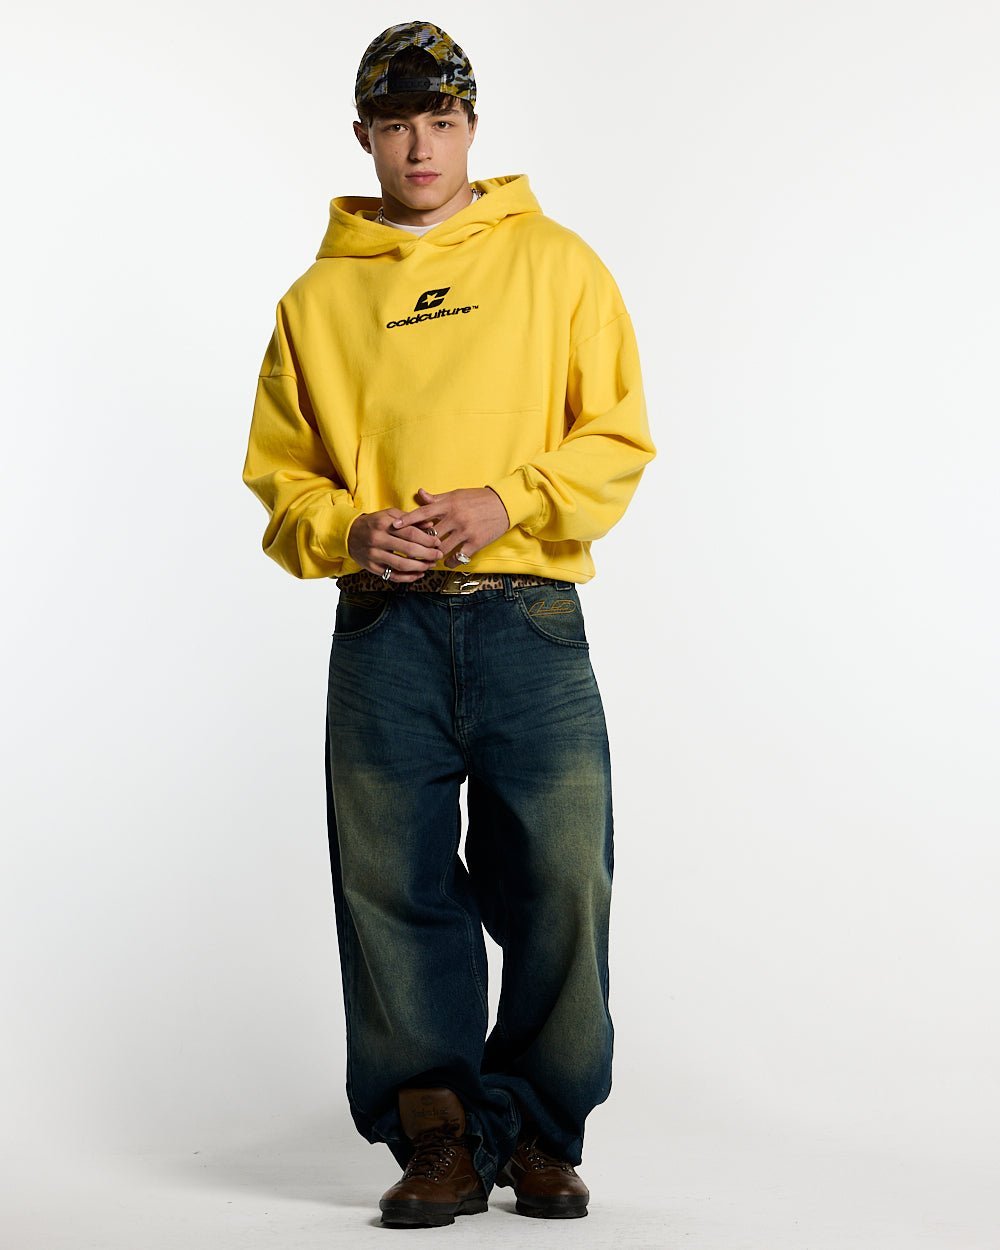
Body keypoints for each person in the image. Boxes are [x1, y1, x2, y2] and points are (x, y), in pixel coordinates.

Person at [242, 19, 655, 1229]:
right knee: (391, 884)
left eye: (441, 119)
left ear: (472, 126)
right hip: (385, 631)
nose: (420, 145)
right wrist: (352, 528)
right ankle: (435, 1132)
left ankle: (537, 1131)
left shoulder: (557, 265)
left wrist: (506, 501)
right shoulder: (316, 299)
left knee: (562, 878)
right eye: (395, 124)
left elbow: (616, 436)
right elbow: (282, 477)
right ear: (361, 135)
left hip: (529, 619)